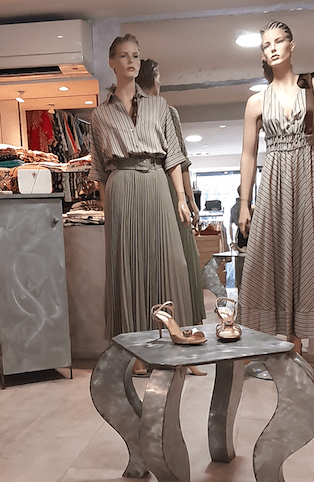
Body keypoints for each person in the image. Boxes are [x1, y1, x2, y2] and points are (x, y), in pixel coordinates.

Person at [89, 34, 193, 374]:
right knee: (128, 266)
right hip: (120, 185)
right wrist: (107, 210)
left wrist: (181, 198)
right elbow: (100, 171)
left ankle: (176, 345)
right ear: (111, 62)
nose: (131, 61)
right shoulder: (99, 115)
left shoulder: (159, 107)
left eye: (135, 55)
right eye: (123, 56)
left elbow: (173, 157)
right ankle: (135, 352)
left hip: (156, 181)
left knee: (170, 262)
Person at [237, 21, 314, 354]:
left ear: (291, 46)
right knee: (268, 255)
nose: (273, 49)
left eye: (279, 41)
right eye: (266, 45)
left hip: (309, 177)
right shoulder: (256, 102)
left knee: (305, 253)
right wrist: (244, 202)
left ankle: (296, 346)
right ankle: (270, 341)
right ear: (262, 55)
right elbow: (248, 154)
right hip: (274, 182)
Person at [136, 58, 207, 376]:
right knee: (181, 267)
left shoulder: (129, 112)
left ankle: (142, 355)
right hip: (165, 190)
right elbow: (180, 161)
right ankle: (185, 350)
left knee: (146, 268)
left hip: (141, 193)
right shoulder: (166, 111)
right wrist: (189, 201)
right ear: (155, 78)